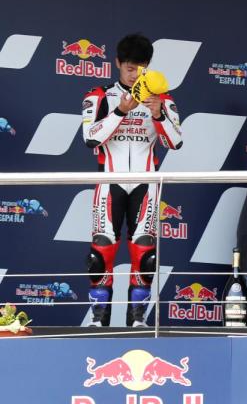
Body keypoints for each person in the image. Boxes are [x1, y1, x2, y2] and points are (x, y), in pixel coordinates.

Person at [81, 34, 183, 326]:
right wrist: (120, 111)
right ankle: (99, 319)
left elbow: (176, 143)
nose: (134, 73)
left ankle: (137, 318)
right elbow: (90, 138)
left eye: (140, 68)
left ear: (148, 66)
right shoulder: (98, 95)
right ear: (117, 63)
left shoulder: (163, 99)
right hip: (109, 184)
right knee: (100, 252)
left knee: (146, 252)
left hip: (146, 184)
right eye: (128, 67)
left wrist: (159, 115)